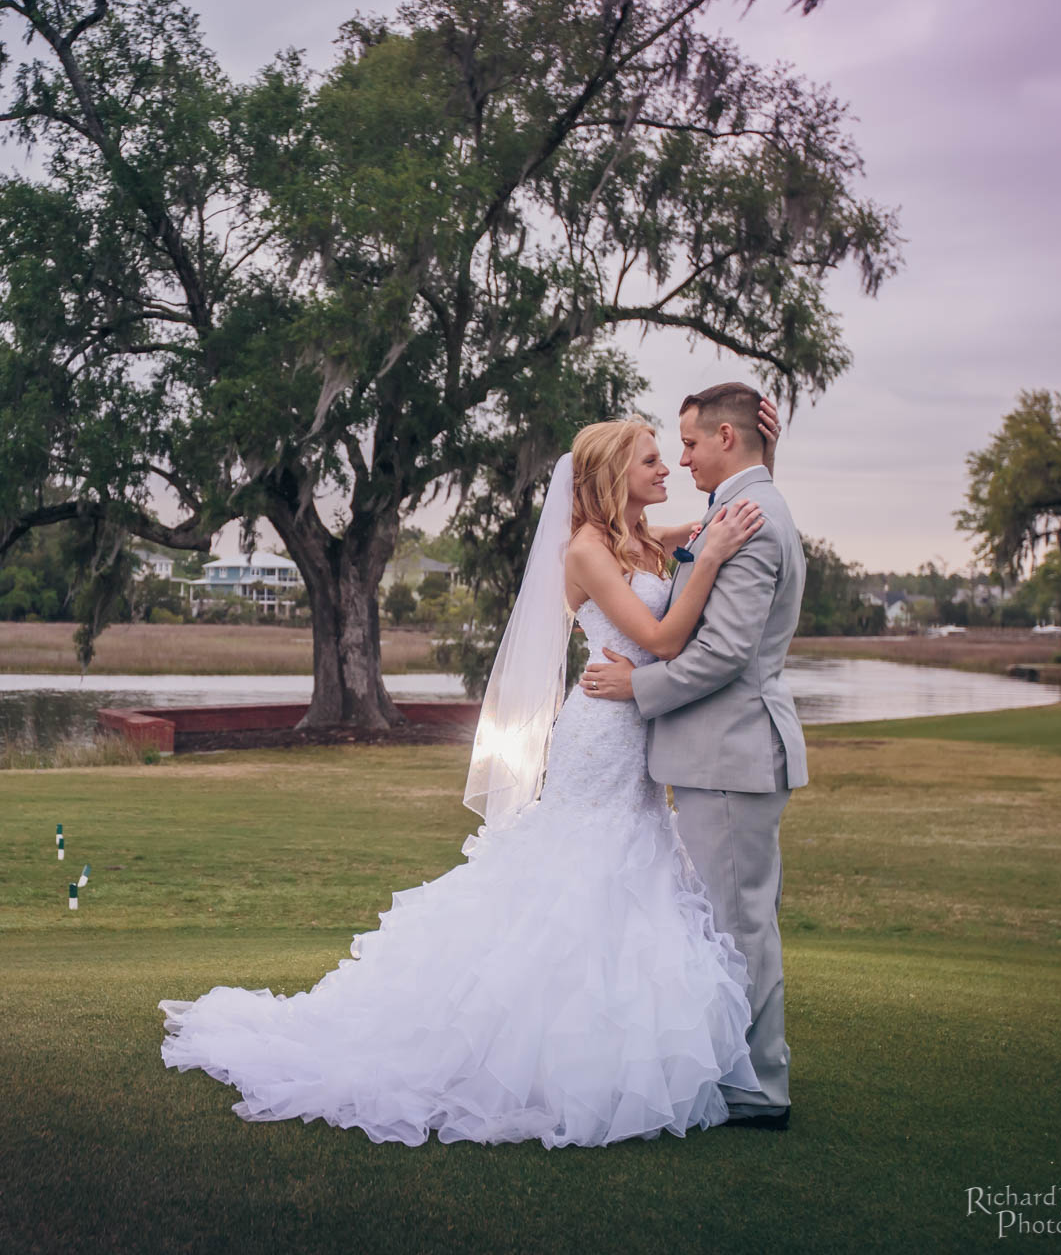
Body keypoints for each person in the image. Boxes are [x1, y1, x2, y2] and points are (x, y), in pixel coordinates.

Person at [157, 399, 788, 1148]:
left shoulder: (643, 538)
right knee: (580, 874)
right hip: (605, 730)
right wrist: (709, 557)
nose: (668, 468)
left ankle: (654, 1051)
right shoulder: (586, 549)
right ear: (617, 473)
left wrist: (759, 466)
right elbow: (656, 633)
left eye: (672, 453)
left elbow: (719, 517)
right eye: (653, 459)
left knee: (634, 874)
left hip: (637, 741)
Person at [580, 382, 806, 1131]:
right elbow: (691, 563)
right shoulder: (730, 511)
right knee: (725, 919)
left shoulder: (753, 521)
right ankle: (722, 1067)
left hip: (731, 751)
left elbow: (721, 654)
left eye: (688, 444)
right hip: (709, 753)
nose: (679, 458)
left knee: (738, 925)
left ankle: (756, 1088)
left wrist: (637, 686)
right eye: (661, 453)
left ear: (728, 440)